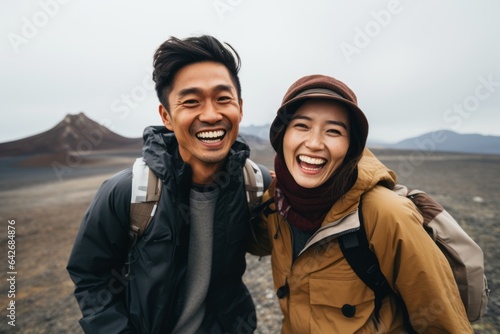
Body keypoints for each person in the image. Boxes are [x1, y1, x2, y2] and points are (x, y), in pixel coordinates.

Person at [67, 35, 264, 333]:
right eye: (191, 102)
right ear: (167, 116)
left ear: (240, 107)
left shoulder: (256, 184)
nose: (211, 115)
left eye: (223, 98)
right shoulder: (127, 192)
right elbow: (91, 276)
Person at [248, 74, 473, 333]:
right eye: (301, 126)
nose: (314, 143)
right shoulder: (277, 199)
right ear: (281, 135)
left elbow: (442, 323)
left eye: (333, 131)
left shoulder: (386, 213)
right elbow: (252, 243)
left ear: (351, 146)